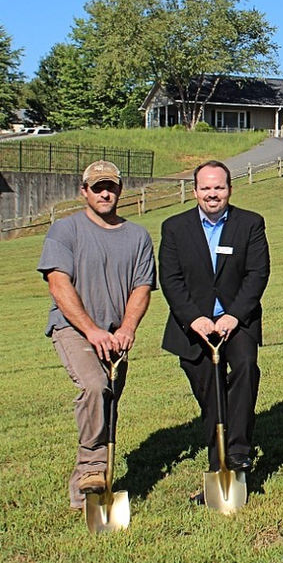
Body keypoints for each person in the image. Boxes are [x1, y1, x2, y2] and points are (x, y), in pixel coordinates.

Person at [37, 160, 156, 509]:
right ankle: (93, 468)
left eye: (111, 186)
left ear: (121, 189)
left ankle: (84, 491)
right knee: (94, 386)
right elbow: (57, 283)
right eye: (97, 187)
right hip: (73, 328)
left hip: (115, 334)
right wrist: (90, 330)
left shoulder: (137, 236)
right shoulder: (65, 230)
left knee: (108, 403)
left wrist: (127, 328)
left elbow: (142, 287)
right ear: (83, 191)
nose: (105, 193)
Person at [159, 161, 270, 488]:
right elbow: (171, 278)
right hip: (194, 325)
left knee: (246, 368)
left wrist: (234, 315)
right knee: (211, 394)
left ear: (229, 189)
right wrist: (194, 318)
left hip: (237, 321)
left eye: (219, 187)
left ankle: (236, 453)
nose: (212, 194)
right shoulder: (175, 228)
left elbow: (257, 274)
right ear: (195, 192)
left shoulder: (249, 224)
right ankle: (217, 459)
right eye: (206, 188)